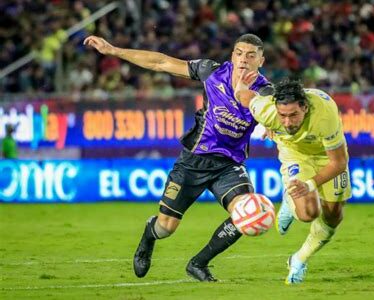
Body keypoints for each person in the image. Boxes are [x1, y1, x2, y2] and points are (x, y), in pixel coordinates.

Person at [84, 34, 273, 281]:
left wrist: (273, 123)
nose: (243, 60)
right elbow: (161, 62)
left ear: (261, 60)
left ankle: (198, 264)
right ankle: (149, 236)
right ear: (232, 56)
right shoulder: (211, 72)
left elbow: (274, 112)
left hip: (229, 165)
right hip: (193, 160)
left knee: (248, 214)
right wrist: (114, 50)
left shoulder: (267, 92)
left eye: (251, 55)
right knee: (166, 228)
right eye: (239, 53)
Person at [235, 76, 351, 284]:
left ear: (305, 107)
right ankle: (291, 199)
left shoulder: (324, 114)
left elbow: (339, 162)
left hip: (327, 157)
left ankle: (298, 259)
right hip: (294, 154)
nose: (287, 122)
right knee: (308, 213)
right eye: (282, 116)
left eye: (293, 115)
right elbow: (243, 95)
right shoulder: (267, 110)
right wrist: (242, 82)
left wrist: (310, 184)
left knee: (334, 215)